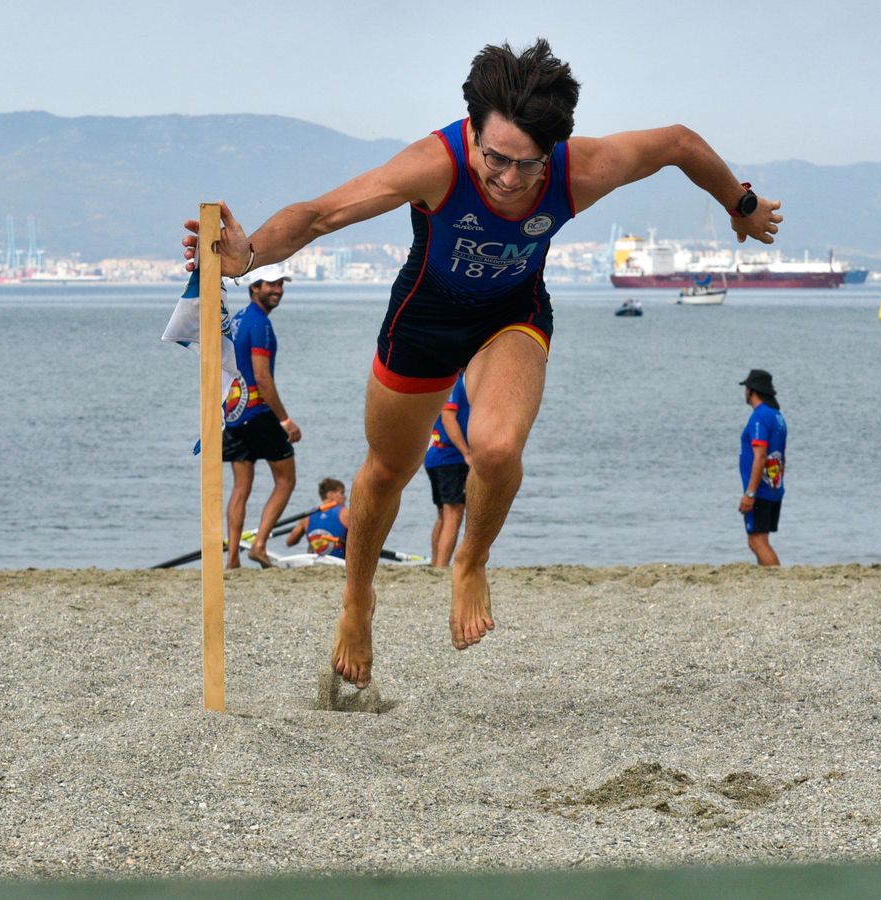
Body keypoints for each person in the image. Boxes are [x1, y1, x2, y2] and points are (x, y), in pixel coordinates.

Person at [184, 39, 783, 687]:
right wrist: (249, 257)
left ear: (551, 153)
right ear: (471, 132)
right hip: (426, 319)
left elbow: (678, 143)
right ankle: (358, 600)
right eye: (495, 158)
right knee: (387, 471)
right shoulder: (435, 164)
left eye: (526, 166)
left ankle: (469, 563)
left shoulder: (578, 170)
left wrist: (741, 204)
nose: (506, 178)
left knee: (496, 449)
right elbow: (319, 215)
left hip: (512, 317)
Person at [221, 263, 300, 569]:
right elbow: (262, 377)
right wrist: (285, 420)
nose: (277, 289)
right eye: (270, 284)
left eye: (280, 284)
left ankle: (232, 560)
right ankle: (260, 544)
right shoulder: (260, 325)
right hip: (258, 412)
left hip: (234, 412)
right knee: (286, 479)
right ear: (255, 288)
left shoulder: (238, 320)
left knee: (241, 487)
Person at [738, 369, 787, 567]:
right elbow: (782, 455)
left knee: (757, 541)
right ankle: (767, 582)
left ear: (751, 391)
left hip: (761, 489)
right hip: (774, 486)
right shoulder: (777, 416)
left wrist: (750, 493)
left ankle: (777, 582)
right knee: (760, 539)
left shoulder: (759, 417)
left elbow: (760, 455)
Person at [423, 375, 472, 567]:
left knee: (444, 514)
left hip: (436, 455)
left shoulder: (444, 379)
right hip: (449, 456)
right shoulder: (455, 382)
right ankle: (442, 566)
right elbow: (448, 417)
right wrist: (466, 452)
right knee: (454, 513)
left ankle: (436, 563)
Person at [287, 478, 350, 560]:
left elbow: (290, 542)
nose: (345, 497)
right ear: (330, 494)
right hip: (340, 562)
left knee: (311, 545)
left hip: (316, 562)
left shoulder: (308, 517)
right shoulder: (345, 513)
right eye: (342, 493)